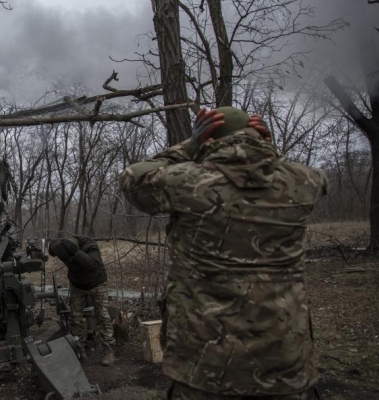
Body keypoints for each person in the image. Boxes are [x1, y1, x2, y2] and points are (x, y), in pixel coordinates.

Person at [120, 107, 328, 399]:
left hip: (205, 363)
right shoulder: (305, 181)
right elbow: (296, 174)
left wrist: (191, 145)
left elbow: (133, 178)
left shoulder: (187, 182)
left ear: (207, 139)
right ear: (260, 136)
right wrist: (265, 148)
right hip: (284, 359)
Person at [48, 236, 115, 366]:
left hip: (96, 283)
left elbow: (92, 265)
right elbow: (52, 247)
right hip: (77, 284)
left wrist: (75, 253)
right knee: (75, 318)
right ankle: (79, 348)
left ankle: (108, 349)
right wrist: (52, 249)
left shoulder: (90, 245)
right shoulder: (61, 244)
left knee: (102, 315)